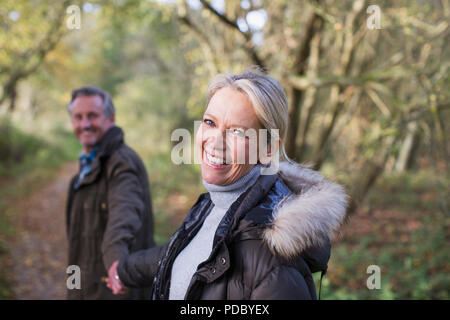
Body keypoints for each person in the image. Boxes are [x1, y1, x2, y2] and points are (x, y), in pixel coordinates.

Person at [109, 69, 348, 299]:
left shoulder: (273, 258)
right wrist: (123, 270)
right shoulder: (218, 203)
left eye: (237, 132)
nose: (215, 143)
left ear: (268, 149)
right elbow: (184, 253)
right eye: (210, 123)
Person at [65, 86, 155, 299]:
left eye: (92, 116)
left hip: (115, 291)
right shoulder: (87, 166)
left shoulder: (121, 163)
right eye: (78, 117)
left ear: (110, 118)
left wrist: (117, 263)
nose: (85, 124)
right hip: (86, 288)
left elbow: (124, 212)